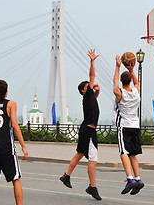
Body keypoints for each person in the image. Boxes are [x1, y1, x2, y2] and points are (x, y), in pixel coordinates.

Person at [59, 49, 102, 201]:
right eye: (88, 86)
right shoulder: (87, 95)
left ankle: (66, 176)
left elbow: (96, 93)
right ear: (84, 90)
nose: (90, 86)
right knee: (93, 159)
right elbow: (92, 76)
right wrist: (92, 61)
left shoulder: (90, 97)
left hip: (87, 130)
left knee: (79, 154)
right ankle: (92, 186)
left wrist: (97, 89)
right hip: (89, 131)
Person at [112, 55, 144, 195]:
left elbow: (114, 84)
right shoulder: (136, 92)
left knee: (123, 152)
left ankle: (130, 178)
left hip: (124, 126)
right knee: (133, 154)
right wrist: (132, 69)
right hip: (135, 126)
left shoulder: (120, 93)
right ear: (130, 80)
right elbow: (137, 83)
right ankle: (138, 179)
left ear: (121, 82)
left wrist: (118, 66)